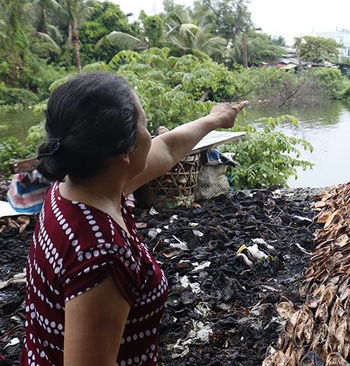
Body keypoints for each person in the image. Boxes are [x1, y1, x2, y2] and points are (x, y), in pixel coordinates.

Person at [21, 72, 248, 366]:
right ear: (124, 152)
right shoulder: (101, 259)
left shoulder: (78, 184)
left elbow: (166, 148)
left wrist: (215, 119)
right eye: (144, 126)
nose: (151, 135)